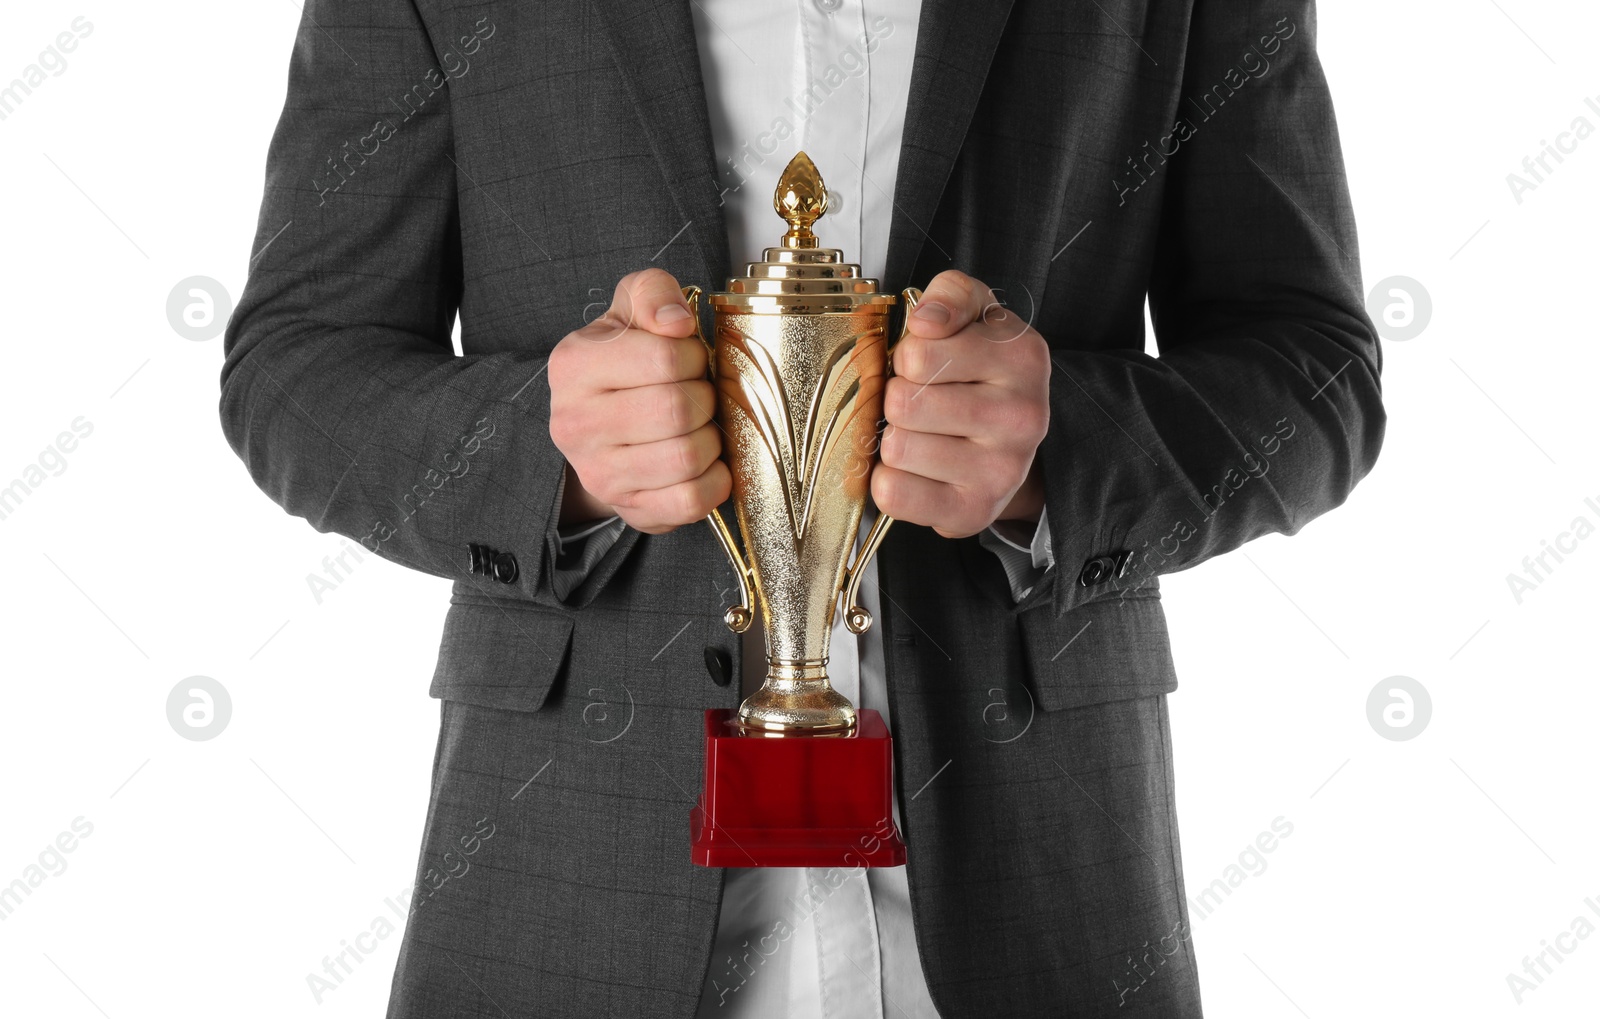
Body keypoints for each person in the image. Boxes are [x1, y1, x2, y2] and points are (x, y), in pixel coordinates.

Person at [221, 1, 1383, 1016]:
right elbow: (294, 370)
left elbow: (1317, 377)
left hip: (1044, 896)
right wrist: (545, 447)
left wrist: (1058, 450)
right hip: (562, 893)